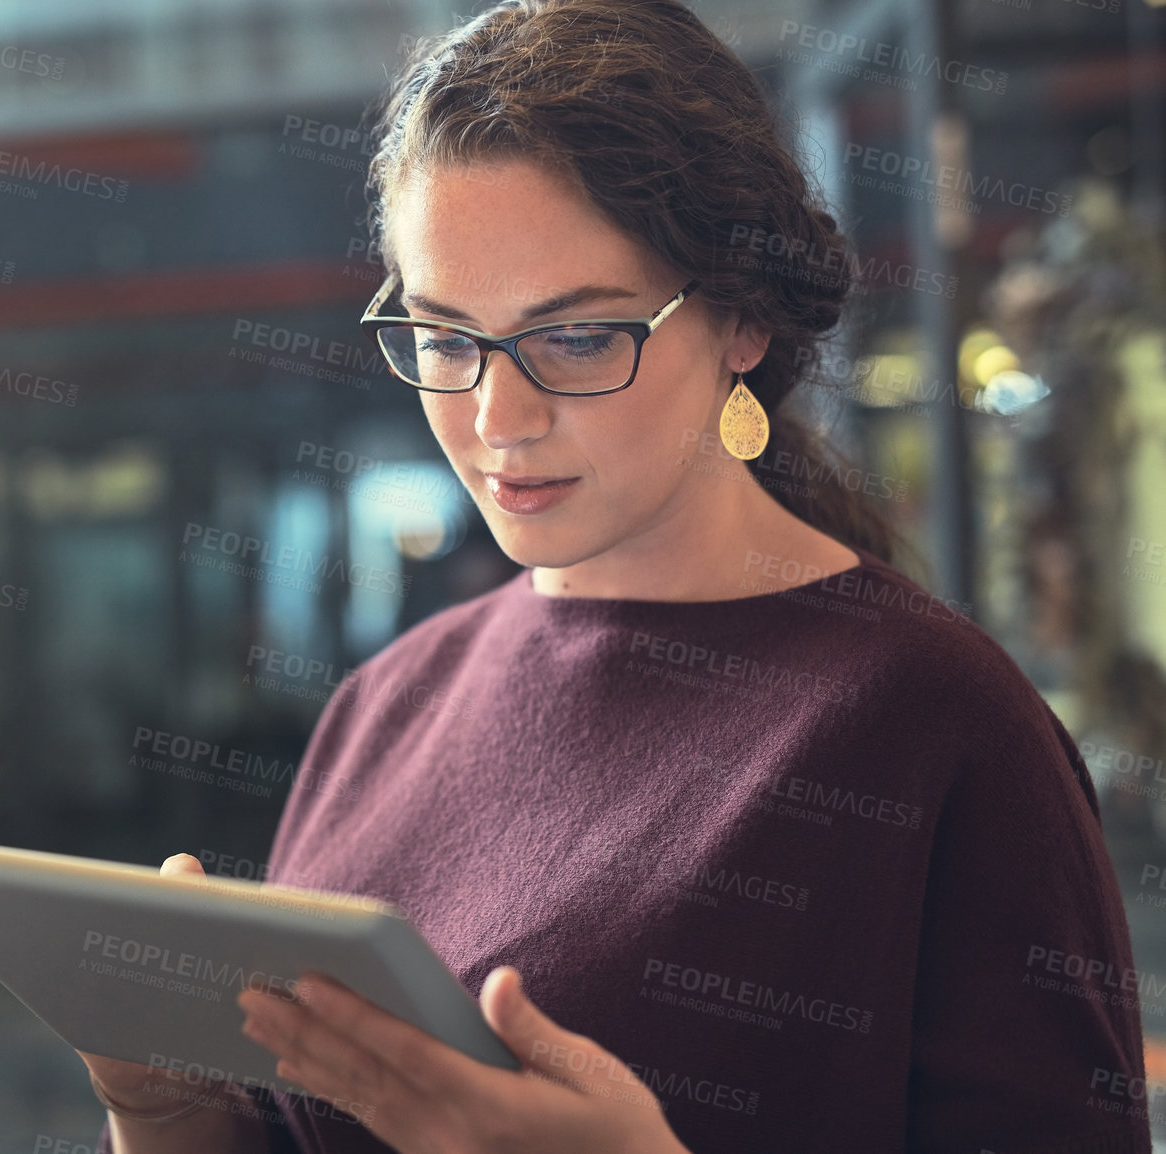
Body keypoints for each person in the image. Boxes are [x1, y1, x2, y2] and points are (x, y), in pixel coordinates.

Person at [81, 0, 1151, 1150]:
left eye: (578, 337)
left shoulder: (934, 719)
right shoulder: (389, 701)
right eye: (445, 339)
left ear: (739, 317)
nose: (497, 416)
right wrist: (165, 1110)